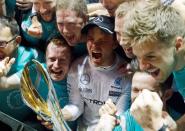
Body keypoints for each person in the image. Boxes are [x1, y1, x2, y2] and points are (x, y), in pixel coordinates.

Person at [121, 0, 185, 130]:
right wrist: (177, 127)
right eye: (138, 57)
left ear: (178, 45)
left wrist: (155, 126)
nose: (143, 66)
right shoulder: (176, 62)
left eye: (150, 56)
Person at [61, 15, 131, 131]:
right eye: (90, 38)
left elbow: (121, 117)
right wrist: (61, 114)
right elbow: (76, 106)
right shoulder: (77, 67)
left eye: (102, 40)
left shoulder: (126, 73)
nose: (94, 45)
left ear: (114, 43)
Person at [96, 72, 177, 131]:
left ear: (167, 95)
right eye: (135, 90)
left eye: (147, 92)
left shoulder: (179, 122)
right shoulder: (125, 121)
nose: (139, 98)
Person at [0, 16, 44, 124]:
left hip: (26, 122)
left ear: (17, 41)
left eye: (2, 44)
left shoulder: (33, 57)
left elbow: (4, 84)